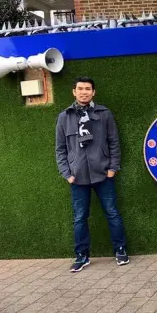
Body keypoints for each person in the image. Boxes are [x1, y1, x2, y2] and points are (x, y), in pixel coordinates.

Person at [55, 76, 129, 272]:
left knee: (112, 213)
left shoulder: (104, 114)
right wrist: (67, 173)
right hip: (77, 177)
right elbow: (60, 149)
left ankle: (120, 250)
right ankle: (82, 256)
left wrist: (113, 168)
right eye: (80, 88)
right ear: (74, 91)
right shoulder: (64, 117)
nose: (84, 92)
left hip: (103, 174)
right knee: (79, 217)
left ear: (93, 92)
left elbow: (114, 142)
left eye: (88, 89)